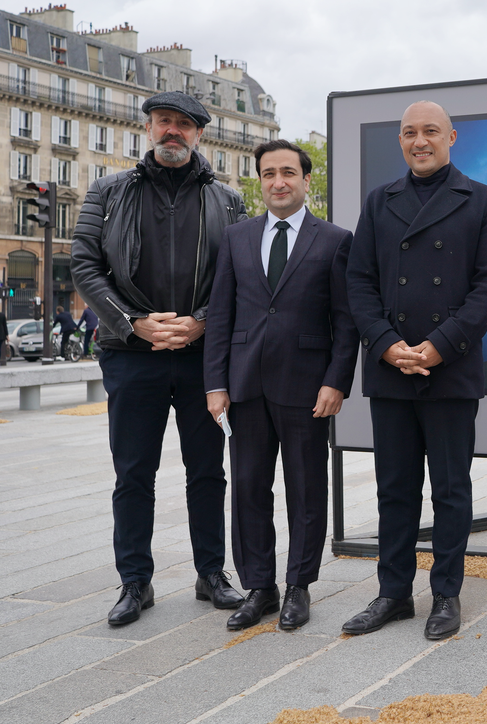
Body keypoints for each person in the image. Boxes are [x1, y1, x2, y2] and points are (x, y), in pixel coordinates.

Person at [71, 91, 248, 627]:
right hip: (131, 354)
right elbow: (83, 263)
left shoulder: (228, 200)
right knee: (133, 474)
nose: (173, 131)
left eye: (184, 125)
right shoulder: (107, 191)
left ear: (199, 134)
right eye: (163, 122)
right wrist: (133, 323)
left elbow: (237, 274)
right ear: (147, 128)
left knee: (208, 472)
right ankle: (134, 582)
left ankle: (211, 573)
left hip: (202, 356)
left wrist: (200, 320)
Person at [344, 100, 487, 640]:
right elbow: (359, 283)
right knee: (394, 489)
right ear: (400, 140)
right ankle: (393, 593)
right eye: (410, 132)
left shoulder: (483, 200)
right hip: (391, 368)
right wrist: (388, 345)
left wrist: (438, 345)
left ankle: (445, 595)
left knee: (450, 490)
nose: (420, 140)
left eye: (430, 131)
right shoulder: (379, 200)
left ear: (452, 137)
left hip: (451, 368)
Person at [204, 140, 360, 632]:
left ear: (305, 180)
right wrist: (215, 383)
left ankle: (298, 587)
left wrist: (337, 381)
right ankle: (260, 588)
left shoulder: (335, 239)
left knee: (307, 490)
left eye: (288, 172)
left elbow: (346, 320)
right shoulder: (236, 238)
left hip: (308, 387)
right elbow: (221, 315)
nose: (278, 182)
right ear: (260, 180)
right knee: (248, 488)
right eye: (268, 173)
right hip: (244, 385)